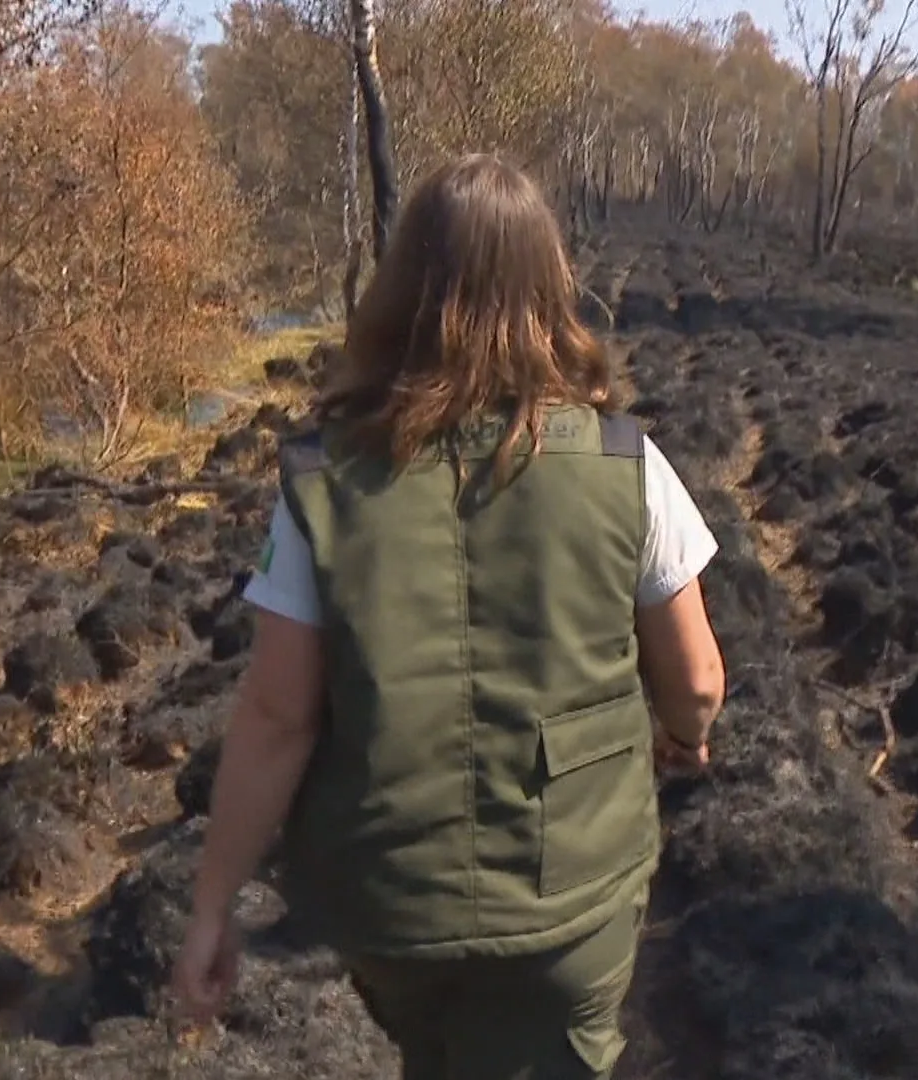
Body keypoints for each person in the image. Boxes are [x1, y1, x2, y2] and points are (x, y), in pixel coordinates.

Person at [171, 153, 727, 1080]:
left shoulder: (325, 481)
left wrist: (211, 907)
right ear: (552, 287)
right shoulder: (629, 464)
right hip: (571, 906)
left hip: (391, 911)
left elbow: (276, 718)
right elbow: (699, 684)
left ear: (403, 292)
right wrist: (680, 733)